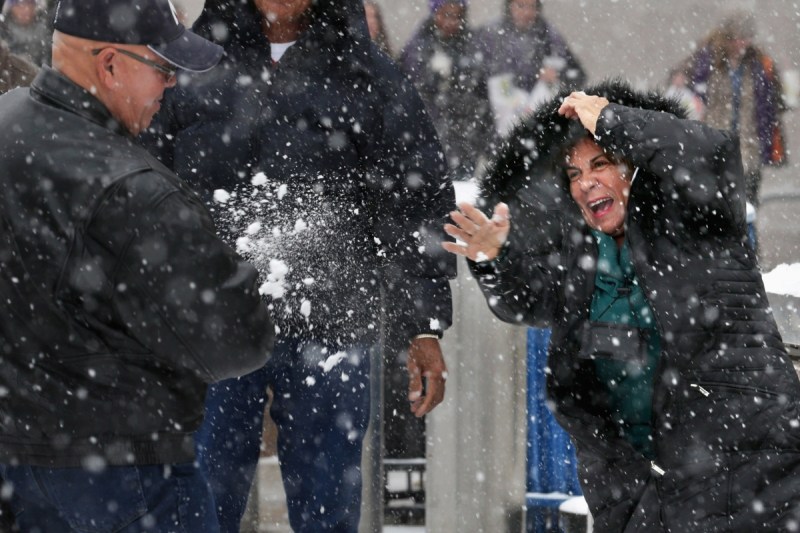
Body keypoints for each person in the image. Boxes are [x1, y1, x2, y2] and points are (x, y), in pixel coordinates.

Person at [142, 0, 456, 531]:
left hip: (332, 321)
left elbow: (414, 202)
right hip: (208, 321)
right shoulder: (188, 66)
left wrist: (422, 326)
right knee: (197, 500)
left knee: (328, 502)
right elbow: (142, 185)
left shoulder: (367, 74)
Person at [444, 81, 800, 531]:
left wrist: (612, 120)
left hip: (746, 475)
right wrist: (494, 257)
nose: (585, 181)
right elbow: (523, 303)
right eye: (573, 174)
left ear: (636, 167)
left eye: (602, 163)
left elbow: (708, 152)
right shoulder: (581, 257)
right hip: (640, 495)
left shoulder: (697, 219)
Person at [0, 0, 274, 531]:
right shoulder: (135, 191)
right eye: (164, 70)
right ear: (109, 65)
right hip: (127, 477)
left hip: (17, 464)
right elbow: (237, 339)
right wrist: (241, 283)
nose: (171, 87)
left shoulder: (6, 126)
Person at [680, 11, 787, 209]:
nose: (743, 43)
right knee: (715, 209)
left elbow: (774, 103)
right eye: (739, 37)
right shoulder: (706, 62)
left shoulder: (758, 65)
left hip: (748, 148)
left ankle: (747, 238)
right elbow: (687, 94)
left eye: (747, 37)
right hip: (713, 148)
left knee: (748, 208)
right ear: (728, 38)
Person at [400, 0, 493, 181]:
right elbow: (408, 89)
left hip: (466, 140)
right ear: (435, 13)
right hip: (428, 140)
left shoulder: (473, 44)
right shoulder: (418, 45)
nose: (451, 22)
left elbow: (483, 95)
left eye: (457, 16)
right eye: (446, 15)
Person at [477, 0, 585, 137]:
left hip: (538, 127)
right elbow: (473, 78)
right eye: (520, 5)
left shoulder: (550, 37)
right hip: (496, 125)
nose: (526, 12)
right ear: (509, 6)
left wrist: (558, 75)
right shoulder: (490, 34)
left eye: (532, 6)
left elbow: (578, 75)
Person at [0, 0, 50, 65]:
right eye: (18, 5)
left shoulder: (48, 29)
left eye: (29, 4)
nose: (24, 9)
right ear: (10, 8)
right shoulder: (3, 32)